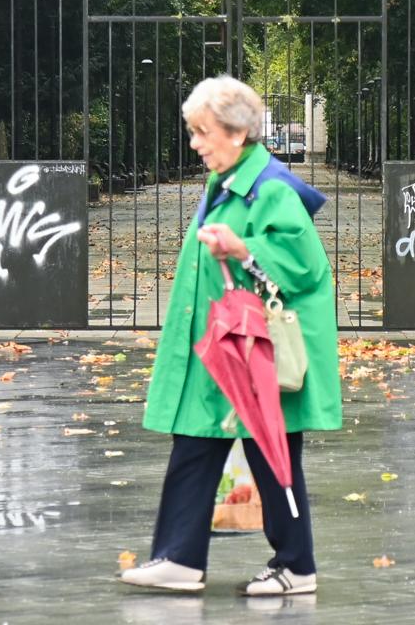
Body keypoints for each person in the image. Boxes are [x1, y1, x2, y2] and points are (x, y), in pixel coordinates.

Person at [120, 75, 342, 596]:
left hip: (254, 352)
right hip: (229, 349)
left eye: (203, 132)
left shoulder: (270, 187)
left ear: (238, 133)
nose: (195, 143)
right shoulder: (235, 179)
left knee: (273, 452)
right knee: (197, 441)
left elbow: (305, 268)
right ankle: (179, 558)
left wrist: (243, 250)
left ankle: (297, 566)